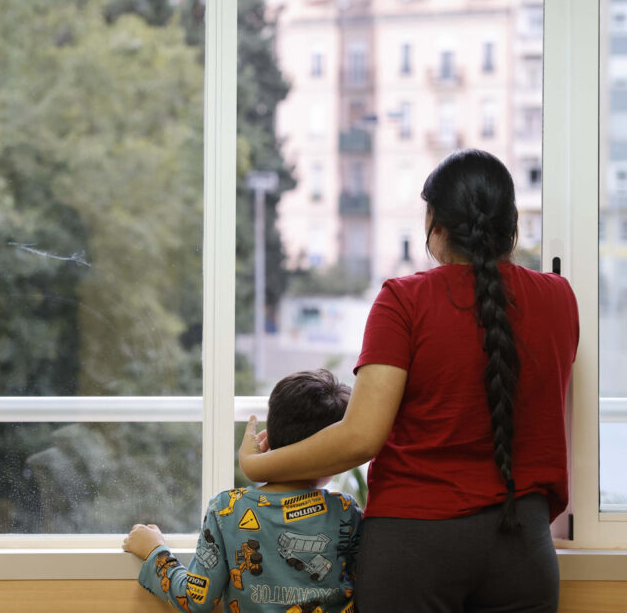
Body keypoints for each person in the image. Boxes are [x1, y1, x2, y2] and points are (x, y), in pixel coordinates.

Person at [239, 149, 578, 613]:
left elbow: (361, 436)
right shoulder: (559, 300)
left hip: (412, 549)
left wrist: (261, 466)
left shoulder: (404, 301)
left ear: (435, 226)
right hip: (522, 545)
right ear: (512, 224)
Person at [124, 368, 363, 613]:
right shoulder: (345, 511)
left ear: (267, 438)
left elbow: (197, 598)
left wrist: (155, 553)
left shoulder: (228, 509)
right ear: (336, 455)